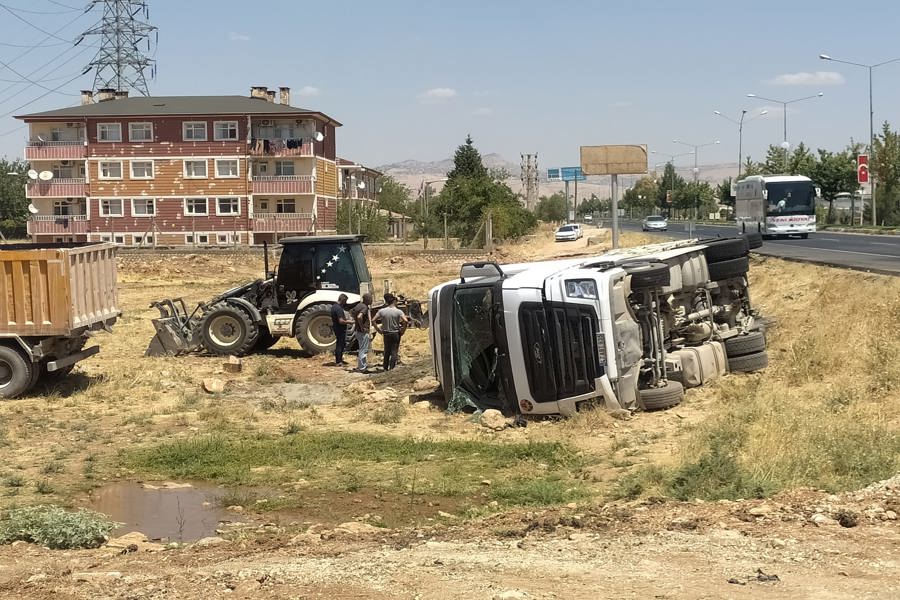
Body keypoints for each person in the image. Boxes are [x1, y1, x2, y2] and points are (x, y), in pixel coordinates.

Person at [374, 293, 409, 372]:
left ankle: (385, 367)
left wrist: (378, 329)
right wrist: (403, 330)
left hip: (386, 333)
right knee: (394, 351)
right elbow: (405, 321)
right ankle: (392, 368)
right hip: (395, 333)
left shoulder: (382, 311)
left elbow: (373, 320)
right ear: (393, 301)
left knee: (386, 350)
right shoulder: (398, 311)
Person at [351, 293, 373, 373]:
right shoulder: (364, 307)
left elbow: (352, 313)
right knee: (363, 350)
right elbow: (359, 316)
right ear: (367, 299)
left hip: (357, 331)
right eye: (371, 299)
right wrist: (362, 327)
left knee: (361, 349)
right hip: (363, 332)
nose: (372, 300)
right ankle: (362, 368)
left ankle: (361, 366)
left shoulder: (358, 305)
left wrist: (357, 324)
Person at [329, 293, 353, 366]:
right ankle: (338, 361)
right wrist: (350, 322)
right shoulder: (338, 308)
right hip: (340, 329)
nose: (345, 303)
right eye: (345, 301)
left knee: (341, 344)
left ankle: (340, 360)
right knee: (340, 344)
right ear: (342, 300)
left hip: (337, 327)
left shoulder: (334, 306)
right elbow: (341, 321)